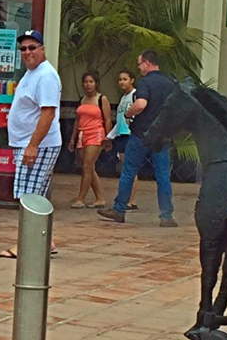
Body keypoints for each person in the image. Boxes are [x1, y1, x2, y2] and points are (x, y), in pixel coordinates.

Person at [0, 29, 62, 259]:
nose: (27, 52)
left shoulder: (46, 76)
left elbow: (48, 114)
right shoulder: (31, 74)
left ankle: (26, 245)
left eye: (32, 47)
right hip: (28, 143)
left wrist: (33, 145)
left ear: (42, 49)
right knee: (39, 197)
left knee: (29, 198)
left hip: (37, 145)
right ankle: (47, 240)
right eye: (23, 49)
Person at [98, 50, 176, 226]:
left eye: (140, 64)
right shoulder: (169, 84)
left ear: (147, 63)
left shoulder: (144, 83)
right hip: (162, 136)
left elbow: (141, 104)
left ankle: (119, 210)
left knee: (128, 172)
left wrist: (128, 112)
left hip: (141, 134)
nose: (139, 67)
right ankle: (166, 215)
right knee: (163, 176)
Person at [69, 71, 112, 208]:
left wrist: (108, 137)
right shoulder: (82, 100)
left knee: (87, 166)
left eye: (91, 82)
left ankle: (80, 198)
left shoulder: (102, 99)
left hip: (96, 134)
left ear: (97, 84)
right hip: (82, 134)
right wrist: (73, 138)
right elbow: (78, 120)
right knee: (88, 167)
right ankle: (100, 198)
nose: (88, 85)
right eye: (86, 82)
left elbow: (107, 119)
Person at [104, 69, 139, 210]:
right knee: (125, 168)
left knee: (130, 168)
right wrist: (110, 136)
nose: (122, 82)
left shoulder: (135, 95)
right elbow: (119, 122)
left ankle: (131, 200)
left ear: (132, 80)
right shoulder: (123, 97)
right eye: (120, 79)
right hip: (121, 135)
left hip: (130, 135)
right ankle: (126, 198)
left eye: (125, 79)